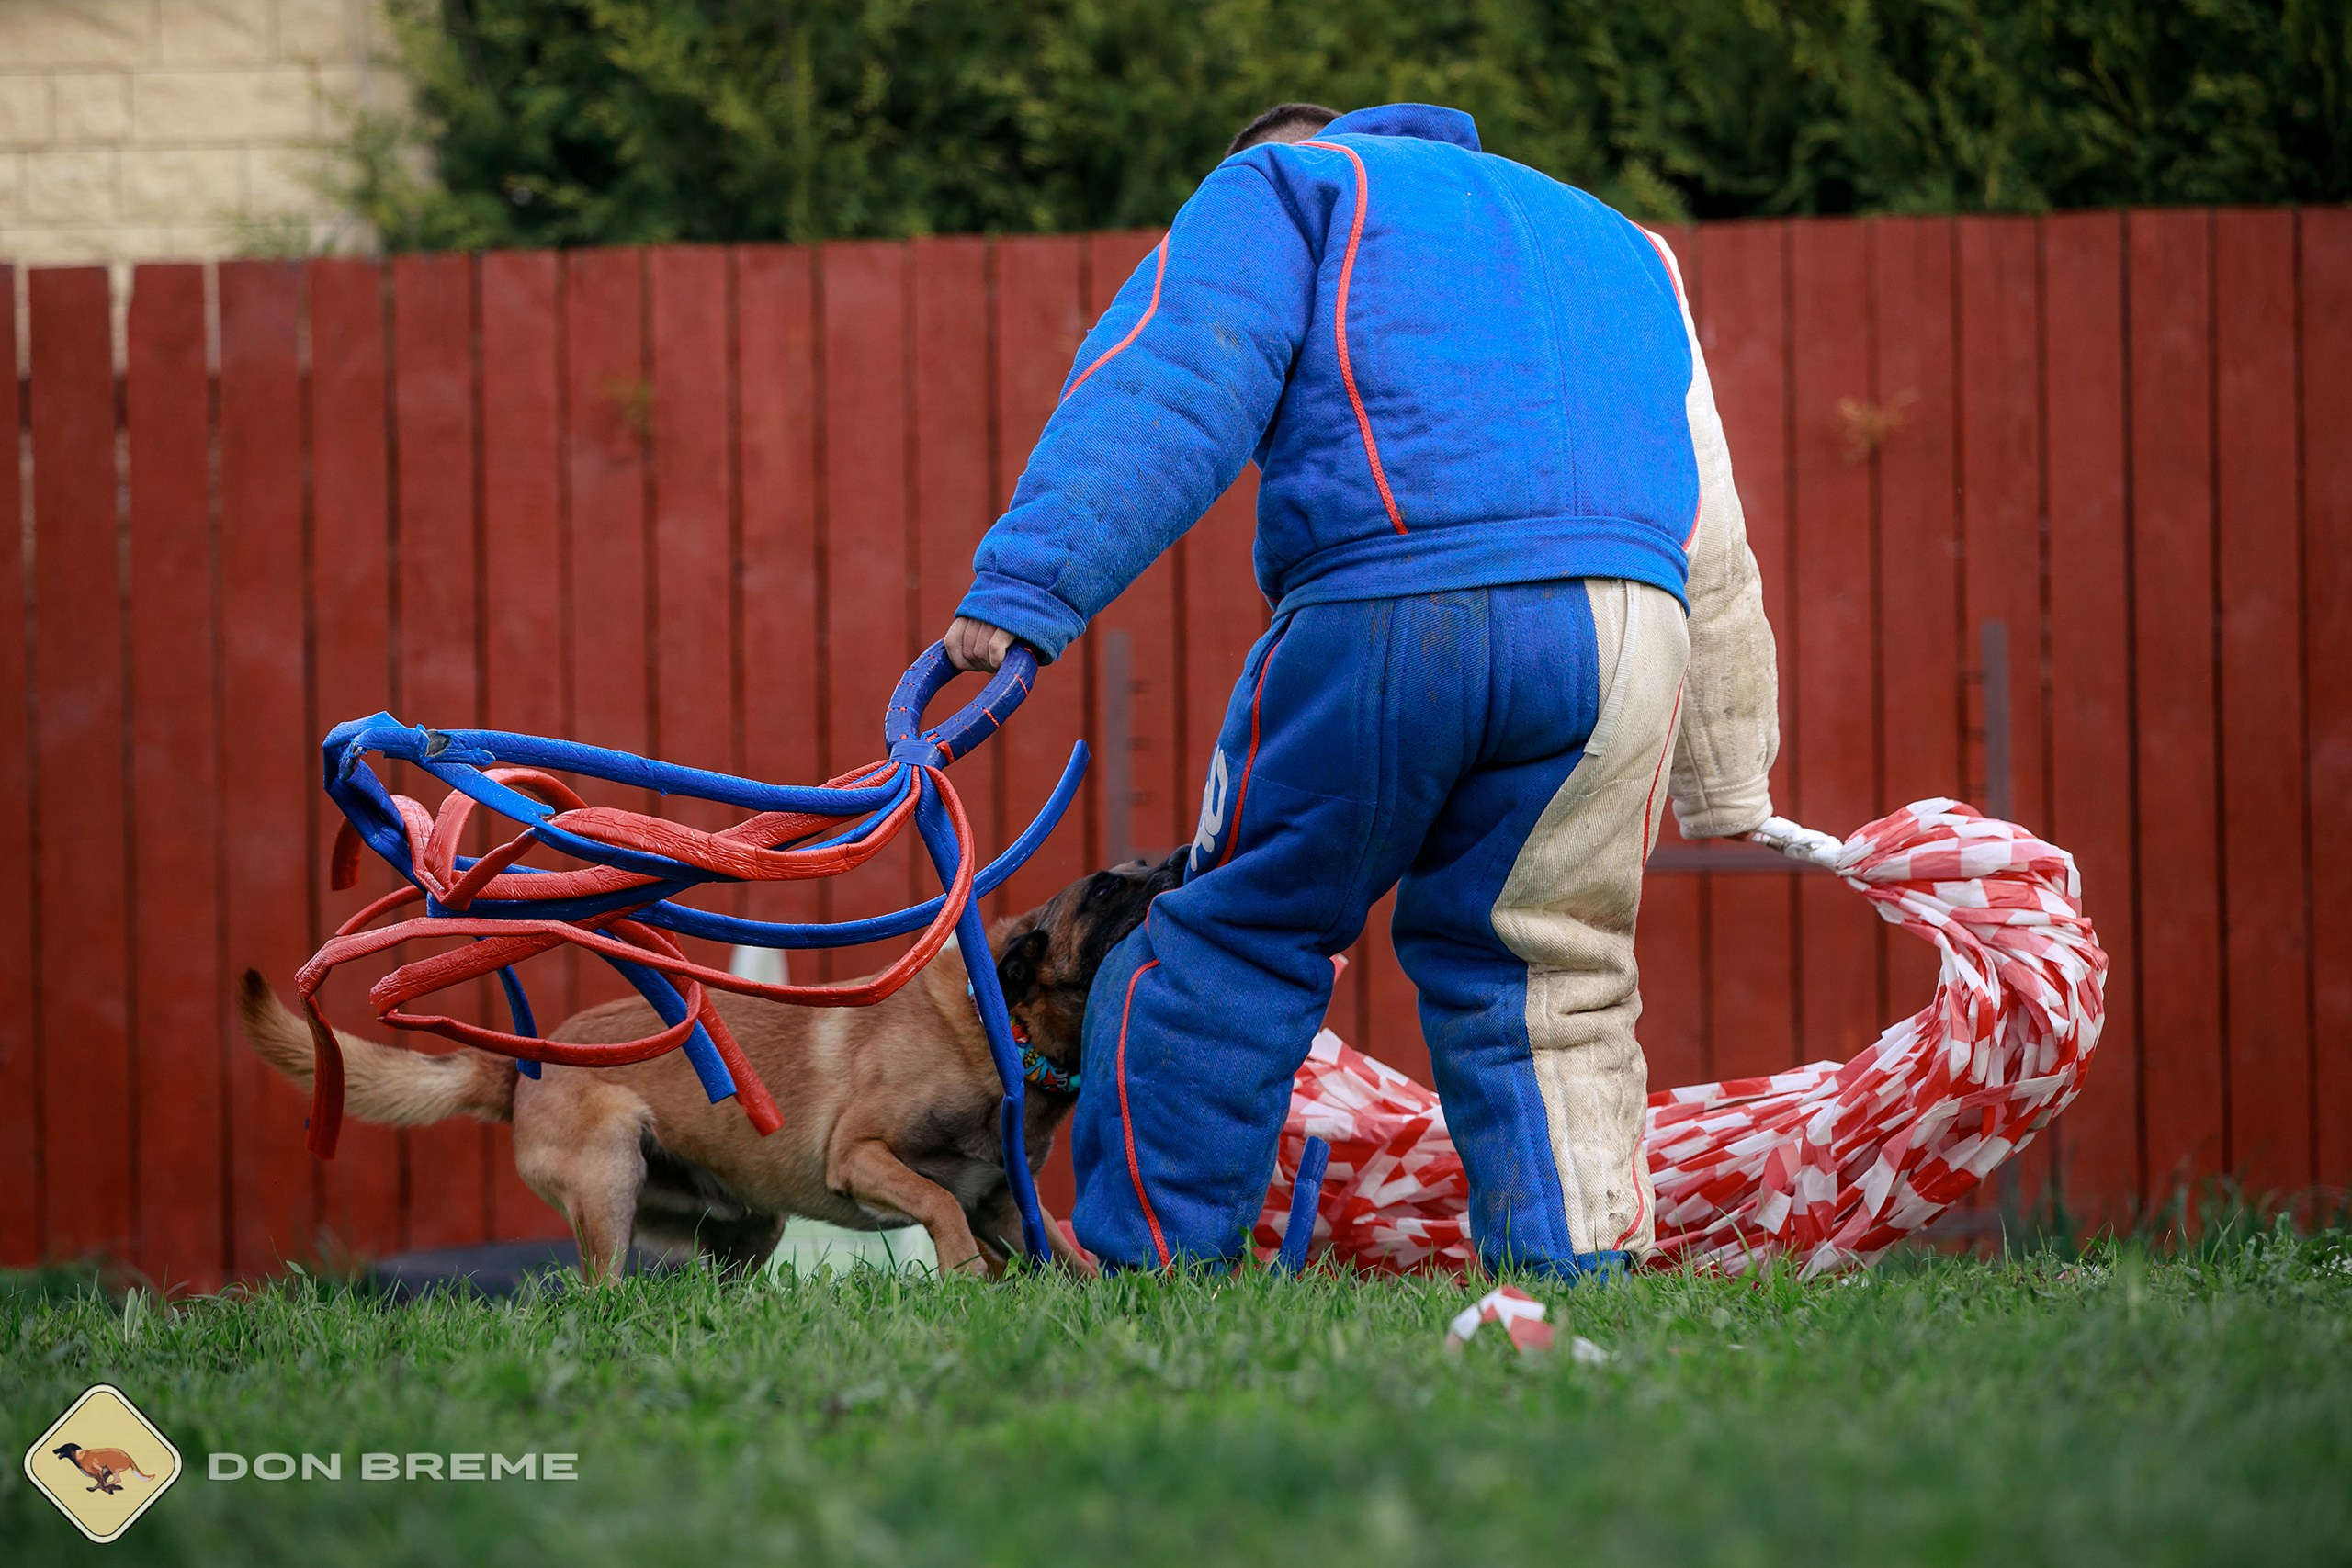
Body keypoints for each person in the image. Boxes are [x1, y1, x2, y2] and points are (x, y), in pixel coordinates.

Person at [943, 100, 1779, 1279]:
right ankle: (1570, 1280)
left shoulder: (1287, 186)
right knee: (1556, 976)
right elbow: (1714, 519)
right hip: (1626, 635)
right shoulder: (1624, 244)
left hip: (1391, 606)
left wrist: (1029, 587)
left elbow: (1177, 376)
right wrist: (1728, 771)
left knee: (1235, 938)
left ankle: (1152, 1274)